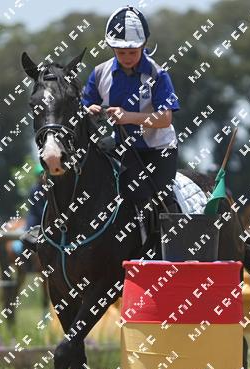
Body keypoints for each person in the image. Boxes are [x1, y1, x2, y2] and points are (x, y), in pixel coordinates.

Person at [81, 5, 180, 239]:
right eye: (121, 52)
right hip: (121, 147)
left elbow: (165, 118)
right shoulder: (99, 73)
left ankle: (173, 246)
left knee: (160, 199)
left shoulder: (157, 74)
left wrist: (127, 117)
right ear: (112, 48)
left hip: (158, 149)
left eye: (132, 52)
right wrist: (88, 110)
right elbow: (83, 106)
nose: (126, 58)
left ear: (143, 46)